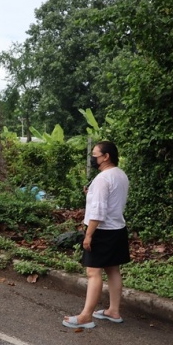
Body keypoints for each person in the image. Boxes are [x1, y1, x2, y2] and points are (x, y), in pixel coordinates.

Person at [63, 141, 130, 329]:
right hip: (117, 228)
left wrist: (88, 235)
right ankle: (113, 311)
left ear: (106, 156)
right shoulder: (120, 175)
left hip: (101, 230)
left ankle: (85, 316)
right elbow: (110, 201)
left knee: (93, 272)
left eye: (95, 155)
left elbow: (98, 212)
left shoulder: (102, 179)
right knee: (113, 269)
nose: (93, 158)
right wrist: (90, 194)